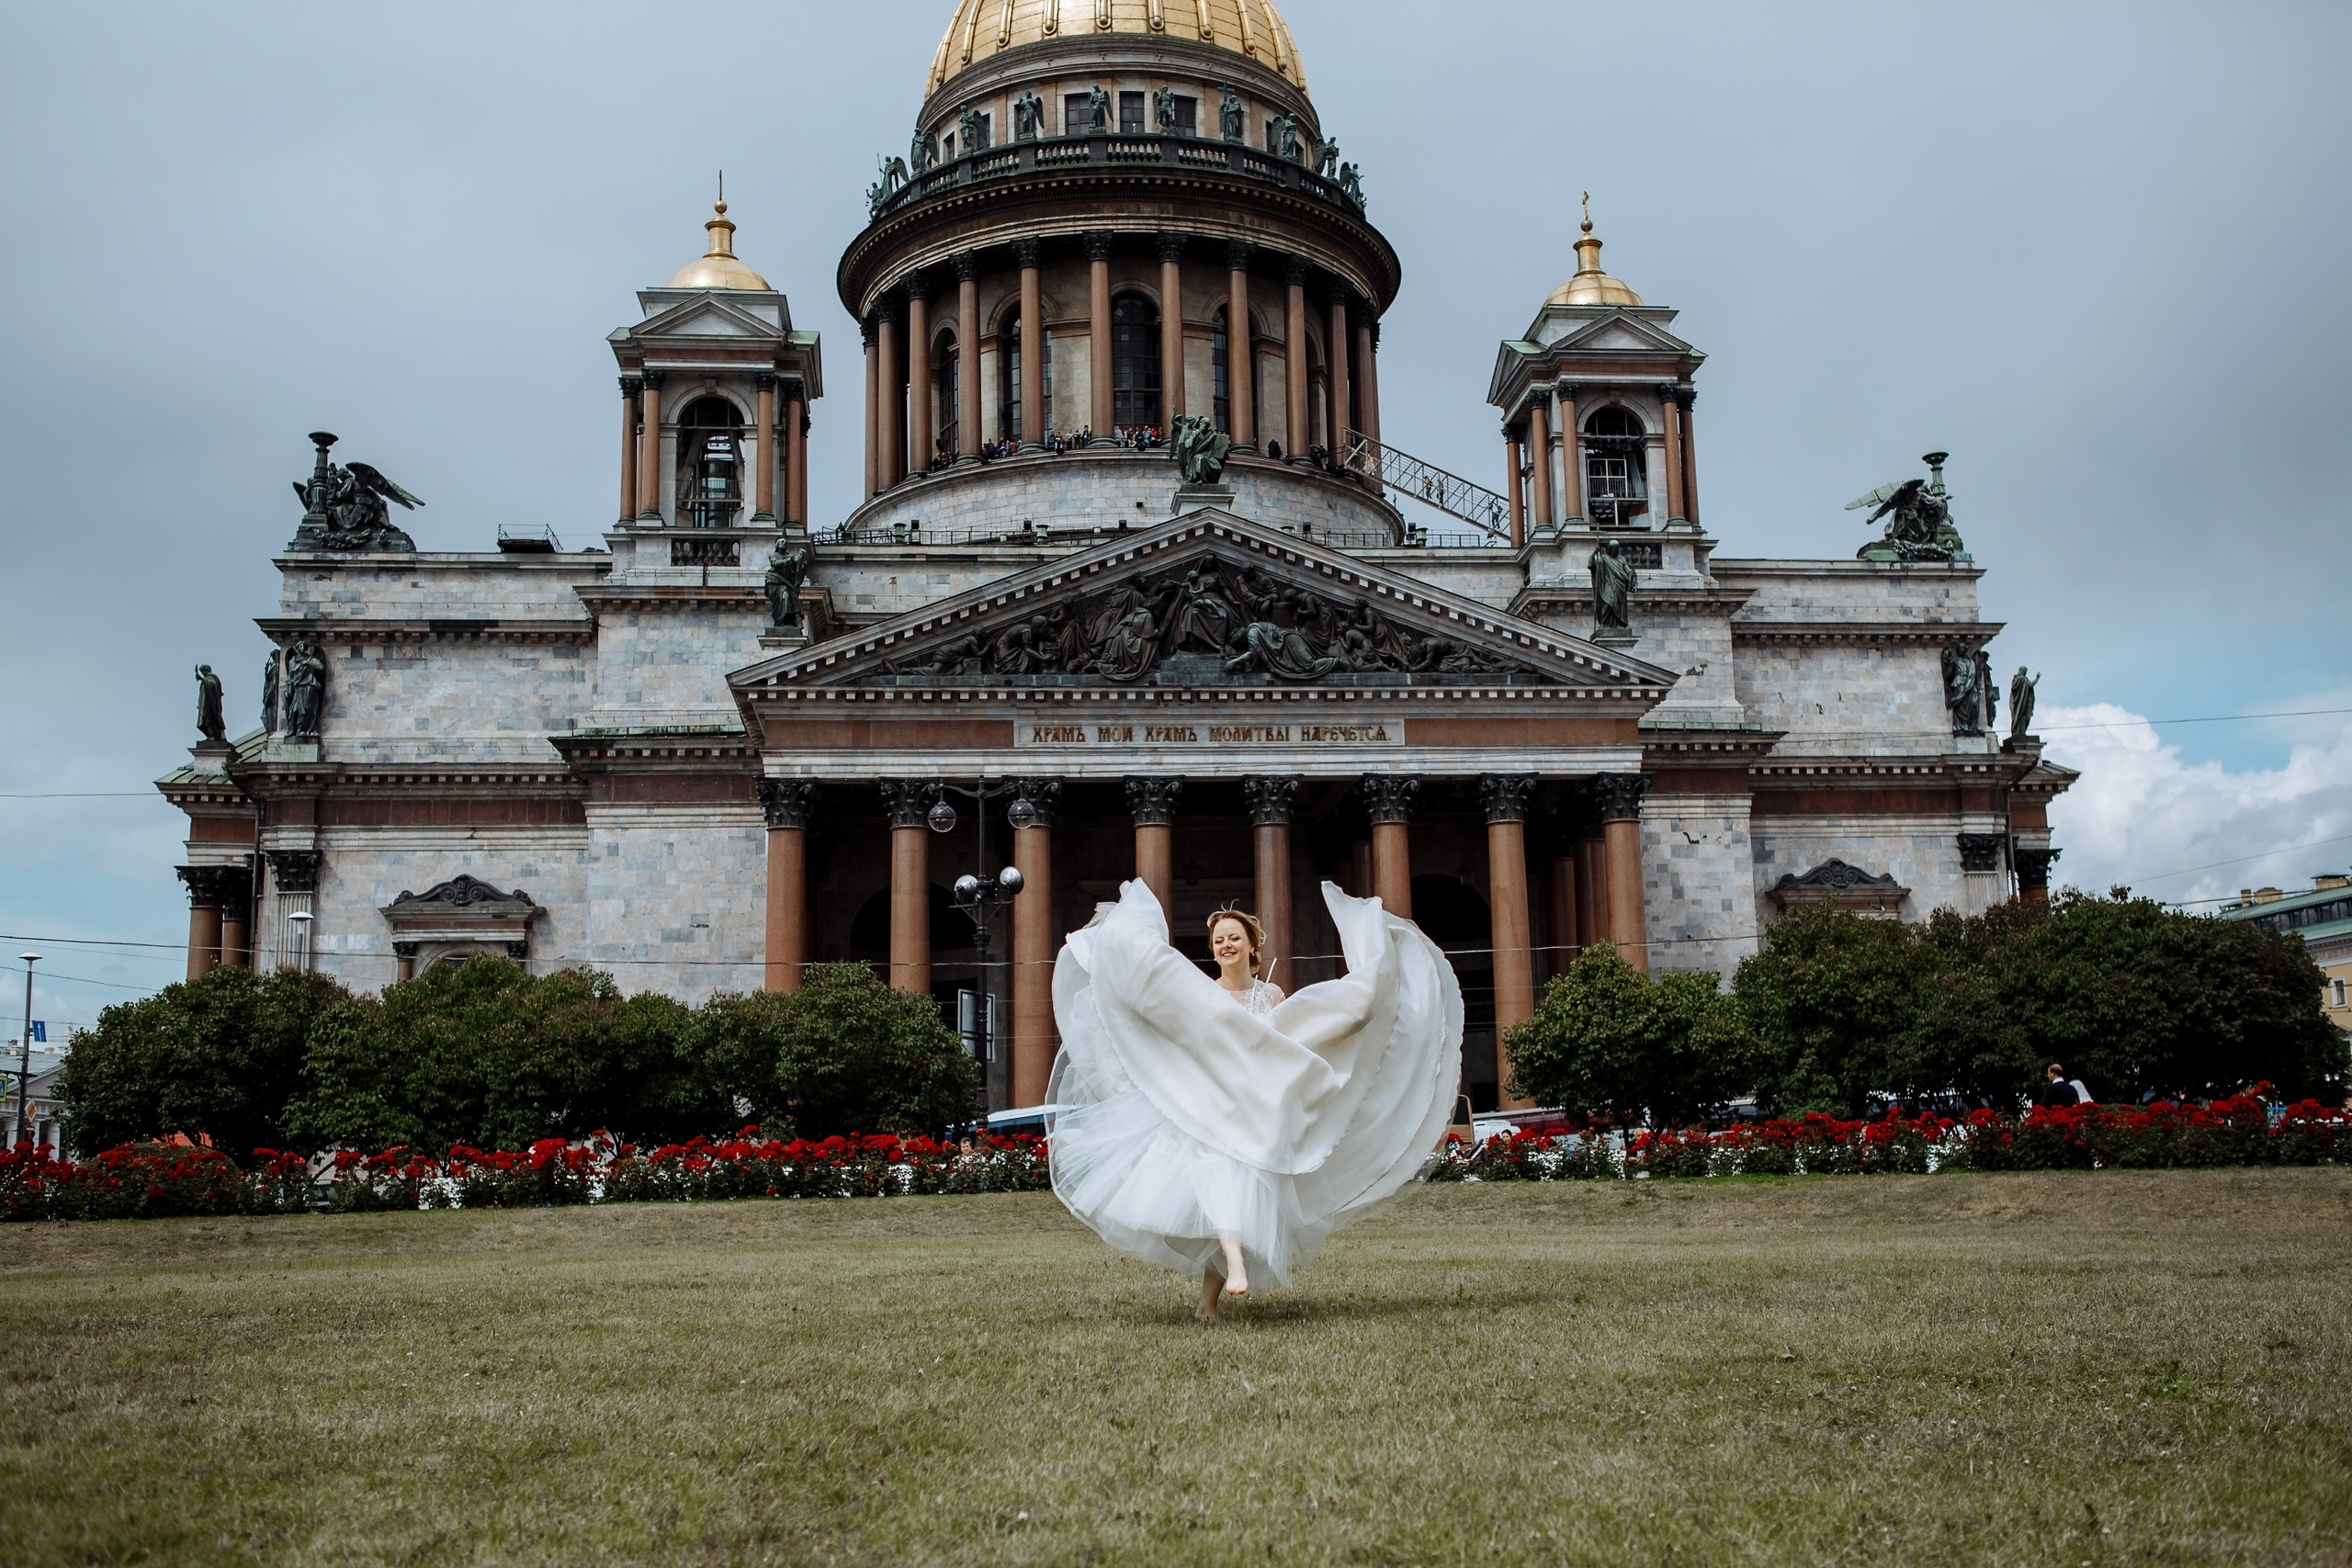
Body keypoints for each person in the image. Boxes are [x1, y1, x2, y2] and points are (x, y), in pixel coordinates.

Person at [1046, 883, 1464, 1324]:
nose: (1225, 945)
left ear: (1251, 946)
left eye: (1234, 937)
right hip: (1210, 1108)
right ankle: (1235, 1266)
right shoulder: (1201, 993)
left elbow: (1289, 1045)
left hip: (1258, 1115)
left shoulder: (1273, 996)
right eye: (1218, 940)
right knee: (1222, 1180)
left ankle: (1207, 1304)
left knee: (1236, 1199)